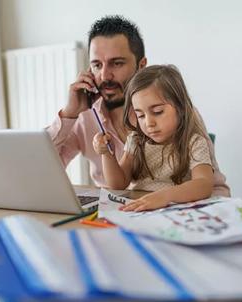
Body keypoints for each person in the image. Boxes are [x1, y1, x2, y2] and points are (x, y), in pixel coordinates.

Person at [47, 15, 229, 197]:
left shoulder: (182, 115)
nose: (105, 75)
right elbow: (41, 167)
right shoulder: (85, 116)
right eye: (96, 65)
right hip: (124, 211)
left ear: (141, 66)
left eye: (116, 63)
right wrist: (69, 113)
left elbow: (211, 187)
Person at [93, 65, 227, 211]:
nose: (149, 123)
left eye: (157, 112)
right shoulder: (136, 141)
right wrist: (106, 154)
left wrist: (164, 196)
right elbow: (118, 184)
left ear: (180, 107)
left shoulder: (193, 142)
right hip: (141, 211)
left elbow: (203, 184)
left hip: (178, 212)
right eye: (141, 115)